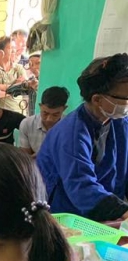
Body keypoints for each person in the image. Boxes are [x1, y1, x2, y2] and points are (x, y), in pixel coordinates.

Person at [37, 53, 128, 220]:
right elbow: (81, 186)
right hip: (67, 213)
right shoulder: (71, 134)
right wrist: (121, 211)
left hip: (103, 206)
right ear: (97, 99)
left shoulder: (118, 122)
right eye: (125, 98)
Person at [0, 36, 29, 115]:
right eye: (11, 48)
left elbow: (25, 88)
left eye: (15, 48)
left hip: (18, 112)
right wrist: (14, 88)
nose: (14, 51)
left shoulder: (19, 68)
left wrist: (0, 87)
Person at [19, 86, 69, 157]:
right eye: (45, 113)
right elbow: (25, 157)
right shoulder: (27, 124)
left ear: (64, 108)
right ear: (40, 106)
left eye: (55, 115)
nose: (49, 119)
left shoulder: (70, 127)